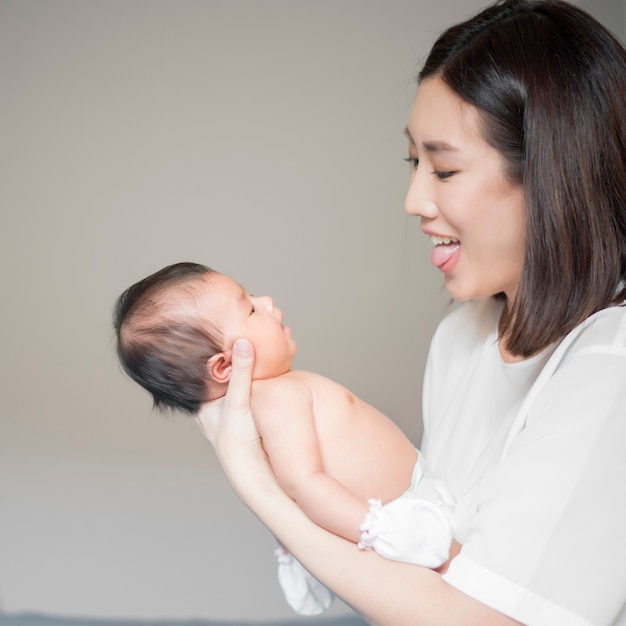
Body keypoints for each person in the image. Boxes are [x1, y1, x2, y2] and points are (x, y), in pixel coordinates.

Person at [195, 0, 626, 624]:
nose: (413, 199)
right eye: (413, 163)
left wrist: (262, 487)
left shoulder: (610, 367)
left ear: (552, 173)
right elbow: (418, 567)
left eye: (444, 168)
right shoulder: (461, 339)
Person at [113, 262, 457, 615]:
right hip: (407, 529)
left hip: (413, 514)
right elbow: (303, 484)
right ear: (225, 366)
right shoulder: (273, 398)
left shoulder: (269, 400)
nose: (266, 300)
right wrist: (381, 530)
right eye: (248, 307)